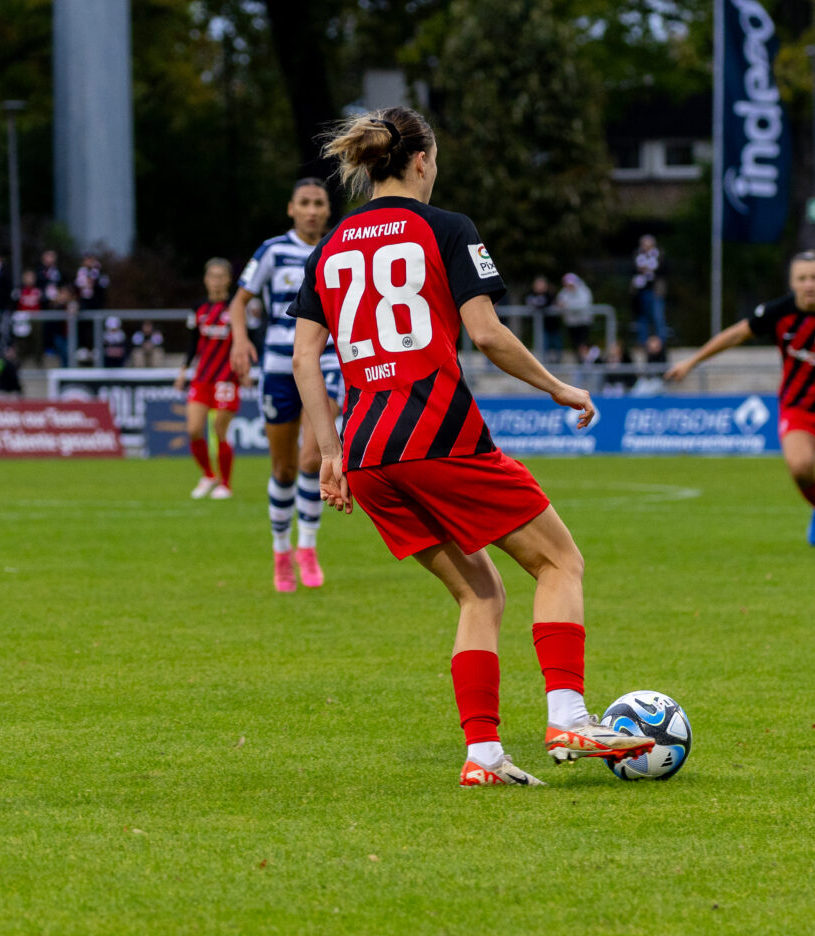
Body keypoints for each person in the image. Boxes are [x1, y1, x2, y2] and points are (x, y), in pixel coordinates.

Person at [289, 107, 654, 787]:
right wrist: (557, 386)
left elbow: (304, 358)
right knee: (560, 562)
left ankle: (483, 755)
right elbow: (484, 333)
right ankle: (569, 716)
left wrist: (331, 452)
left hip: (368, 456)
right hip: (437, 436)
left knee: (480, 594)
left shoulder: (329, 246)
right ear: (421, 160)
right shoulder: (448, 228)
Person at [665, 250, 815, 555]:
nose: (809, 284)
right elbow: (735, 335)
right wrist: (692, 361)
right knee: (800, 468)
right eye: (802, 278)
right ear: (793, 283)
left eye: (814, 277)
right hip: (798, 406)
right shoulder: (778, 312)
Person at [229, 178, 345, 593]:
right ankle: (281, 551)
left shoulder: (338, 248)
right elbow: (238, 302)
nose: (312, 210)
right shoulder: (273, 250)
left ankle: (307, 547)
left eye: (319, 203)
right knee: (284, 467)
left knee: (313, 459)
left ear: (328, 211)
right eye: (304, 203)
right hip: (279, 368)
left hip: (326, 364)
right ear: (291, 209)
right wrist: (240, 340)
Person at [176, 258, 240, 500]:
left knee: (219, 430)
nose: (216, 281)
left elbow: (248, 339)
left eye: (220, 276)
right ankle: (208, 475)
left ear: (228, 279)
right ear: (205, 279)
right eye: (212, 276)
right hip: (202, 377)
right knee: (194, 429)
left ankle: (226, 484)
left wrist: (245, 368)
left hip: (227, 377)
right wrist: (183, 370)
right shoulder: (198, 308)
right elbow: (193, 342)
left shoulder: (235, 307)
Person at [630, 234, 667, 347]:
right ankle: (643, 343)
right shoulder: (637, 255)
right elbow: (632, 270)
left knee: (658, 317)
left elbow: (665, 270)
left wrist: (651, 269)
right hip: (641, 291)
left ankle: (661, 343)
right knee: (642, 318)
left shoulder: (659, 254)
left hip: (656, 291)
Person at [555, 271, 593, 357]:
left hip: (583, 322)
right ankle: (579, 361)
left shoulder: (584, 291)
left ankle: (585, 361)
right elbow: (559, 304)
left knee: (583, 344)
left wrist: (566, 306)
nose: (570, 287)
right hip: (571, 323)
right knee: (575, 345)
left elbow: (583, 305)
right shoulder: (563, 292)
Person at [524, 275, 562, 359]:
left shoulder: (550, 294)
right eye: (538, 284)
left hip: (554, 326)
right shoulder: (531, 294)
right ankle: (545, 363)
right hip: (542, 327)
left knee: (557, 346)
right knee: (544, 346)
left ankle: (558, 362)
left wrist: (539, 304)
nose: (539, 286)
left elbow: (545, 304)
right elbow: (532, 304)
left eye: (541, 284)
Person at [12, 269, 44, 366]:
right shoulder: (19, 291)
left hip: (35, 318)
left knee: (37, 337)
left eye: (32, 277)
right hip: (22, 318)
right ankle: (20, 358)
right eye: (28, 277)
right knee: (22, 339)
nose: (30, 279)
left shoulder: (38, 291)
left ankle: (38, 359)